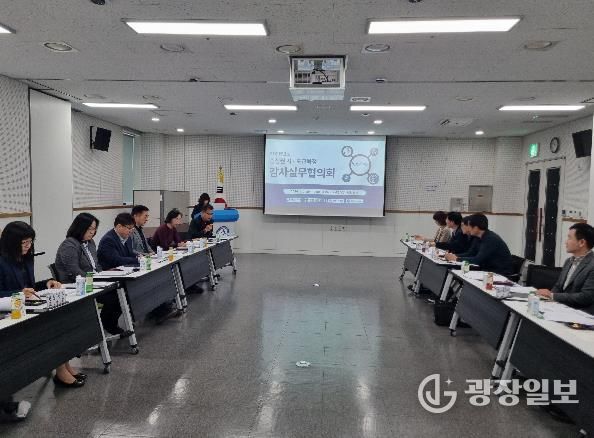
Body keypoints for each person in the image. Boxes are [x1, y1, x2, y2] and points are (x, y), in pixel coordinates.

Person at [0, 221, 85, 393]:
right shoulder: (2, 261)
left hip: (26, 306)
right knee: (51, 326)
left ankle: (64, 364)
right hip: (9, 312)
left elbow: (29, 287)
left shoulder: (26, 258)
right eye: (24, 242)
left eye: (30, 242)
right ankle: (60, 370)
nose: (28, 246)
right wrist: (19, 293)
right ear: (11, 242)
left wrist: (47, 283)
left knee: (62, 319)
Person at [537, 223, 594, 314]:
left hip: (579, 314)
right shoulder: (569, 261)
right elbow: (558, 286)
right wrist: (547, 300)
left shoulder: (592, 265)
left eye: (569, 238)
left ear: (582, 243)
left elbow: (585, 297)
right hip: (561, 308)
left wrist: (552, 295)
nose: (566, 242)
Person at [97, 213, 139, 334]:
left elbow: (130, 254)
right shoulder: (108, 240)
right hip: (108, 278)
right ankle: (108, 324)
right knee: (122, 295)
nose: (131, 231)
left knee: (135, 288)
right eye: (129, 228)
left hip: (123, 275)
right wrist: (136, 259)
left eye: (132, 228)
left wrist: (138, 257)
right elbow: (116, 260)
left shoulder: (127, 237)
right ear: (119, 226)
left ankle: (113, 323)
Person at [445, 213, 513, 276]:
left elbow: (477, 260)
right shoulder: (478, 237)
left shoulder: (490, 239)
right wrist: (454, 256)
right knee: (458, 272)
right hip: (487, 270)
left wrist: (457, 259)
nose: (468, 229)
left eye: (469, 226)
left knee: (463, 274)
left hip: (499, 273)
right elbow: (470, 253)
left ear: (476, 228)